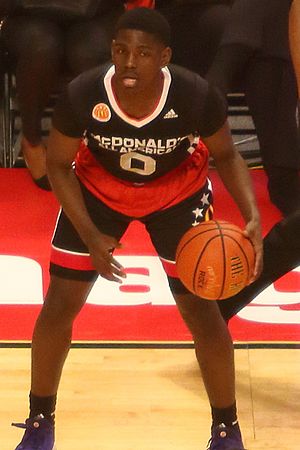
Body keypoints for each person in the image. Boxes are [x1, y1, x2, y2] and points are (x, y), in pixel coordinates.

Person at [12, 8, 263, 450]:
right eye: (121, 50)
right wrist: (89, 234)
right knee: (59, 305)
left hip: (176, 194)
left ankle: (227, 432)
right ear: (111, 51)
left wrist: (251, 214)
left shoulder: (195, 94)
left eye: (143, 53)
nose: (129, 61)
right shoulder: (83, 92)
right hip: (99, 189)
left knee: (202, 313)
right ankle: (39, 424)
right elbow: (57, 165)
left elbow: (226, 155)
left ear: (164, 57)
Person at [0, 0, 124, 189]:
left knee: (86, 51)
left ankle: (94, 141)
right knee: (42, 45)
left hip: (97, 13)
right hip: (27, 16)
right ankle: (31, 139)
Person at [206, 0, 300, 217]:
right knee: (266, 31)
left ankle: (216, 87)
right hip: (192, 16)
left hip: (252, 24)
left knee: (266, 36)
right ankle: (284, 177)